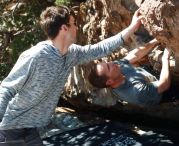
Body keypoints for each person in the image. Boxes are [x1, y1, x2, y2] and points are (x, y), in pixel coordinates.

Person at [0, 6, 143, 145]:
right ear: (64, 28)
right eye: (74, 24)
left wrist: (132, 27)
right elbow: (6, 89)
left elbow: (101, 48)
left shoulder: (72, 53)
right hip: (9, 128)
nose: (77, 28)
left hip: (34, 129)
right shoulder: (35, 56)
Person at [88, 38, 178, 106]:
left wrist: (155, 40)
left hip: (146, 77)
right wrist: (165, 58)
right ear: (110, 81)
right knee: (176, 93)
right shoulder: (136, 91)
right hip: (159, 94)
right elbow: (164, 85)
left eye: (107, 63)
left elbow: (134, 55)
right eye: (108, 67)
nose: (111, 62)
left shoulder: (115, 68)